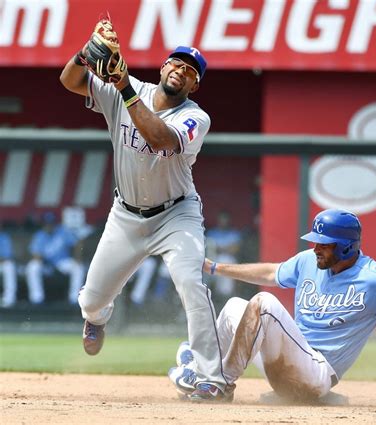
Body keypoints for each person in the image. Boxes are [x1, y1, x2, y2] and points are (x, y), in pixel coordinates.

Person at [59, 18, 230, 401]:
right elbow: (69, 81)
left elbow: (158, 138)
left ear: (194, 85)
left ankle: (212, 379)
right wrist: (87, 52)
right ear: (163, 67)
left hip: (177, 215)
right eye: (176, 63)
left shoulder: (195, 117)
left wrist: (122, 86)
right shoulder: (131, 87)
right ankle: (97, 320)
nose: (181, 71)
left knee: (191, 283)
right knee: (90, 301)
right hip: (125, 215)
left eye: (190, 71)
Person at [169, 209, 376, 403]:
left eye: (324, 243)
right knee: (234, 306)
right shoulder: (309, 261)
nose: (315, 247)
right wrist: (215, 267)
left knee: (264, 303)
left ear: (345, 247)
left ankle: (221, 384)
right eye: (315, 241)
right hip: (285, 364)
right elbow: (270, 273)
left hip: (317, 375)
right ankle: (204, 369)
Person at [25, 212, 85, 305]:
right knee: (32, 267)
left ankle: (74, 299)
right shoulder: (39, 235)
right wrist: (41, 257)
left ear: (55, 223)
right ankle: (37, 299)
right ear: (43, 224)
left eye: (51, 223)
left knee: (78, 267)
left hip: (62, 262)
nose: (49, 225)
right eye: (47, 223)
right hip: (46, 264)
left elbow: (77, 243)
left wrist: (77, 258)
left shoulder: (63, 232)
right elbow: (35, 254)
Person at [206, 211, 242, 298]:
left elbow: (234, 249)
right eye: (221, 219)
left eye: (225, 219)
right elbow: (208, 248)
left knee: (225, 262)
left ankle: (224, 295)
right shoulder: (212, 233)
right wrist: (225, 248)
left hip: (229, 260)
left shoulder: (234, 233)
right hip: (211, 258)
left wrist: (218, 248)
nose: (223, 221)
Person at [0, 226, 17, 308]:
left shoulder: (4, 237)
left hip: (2, 264)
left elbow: (7, 256)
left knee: (9, 266)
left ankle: (9, 300)